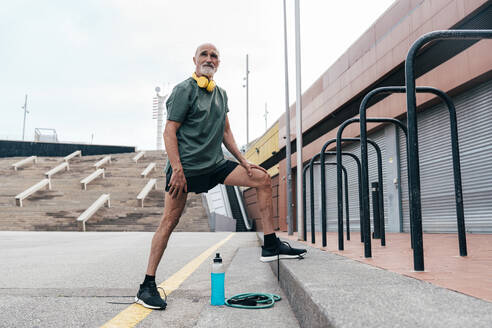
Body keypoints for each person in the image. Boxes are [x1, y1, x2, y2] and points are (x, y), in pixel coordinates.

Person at [135, 43, 307, 310]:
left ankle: (270, 245)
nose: (209, 59)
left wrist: (244, 161)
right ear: (194, 59)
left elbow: (226, 132)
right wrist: (177, 170)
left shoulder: (221, 94)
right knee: (169, 222)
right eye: (204, 54)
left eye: (214, 56)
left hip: (215, 165)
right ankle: (146, 286)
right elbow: (169, 132)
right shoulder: (184, 90)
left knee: (261, 179)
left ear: (219, 63)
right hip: (186, 170)